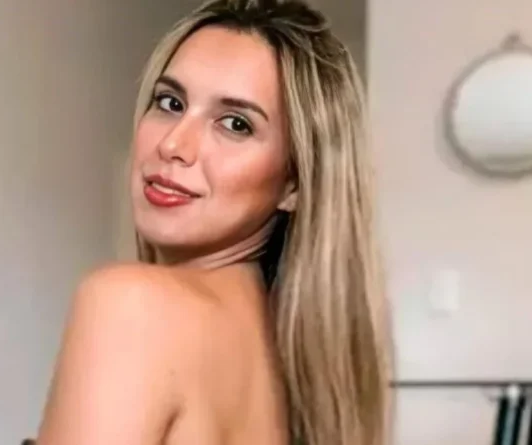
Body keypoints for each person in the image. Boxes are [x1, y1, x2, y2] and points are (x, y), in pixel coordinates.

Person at [35, 0, 391, 444]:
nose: (174, 144)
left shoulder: (132, 306)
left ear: (294, 184)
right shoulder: (295, 368)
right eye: (170, 102)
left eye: (235, 124)